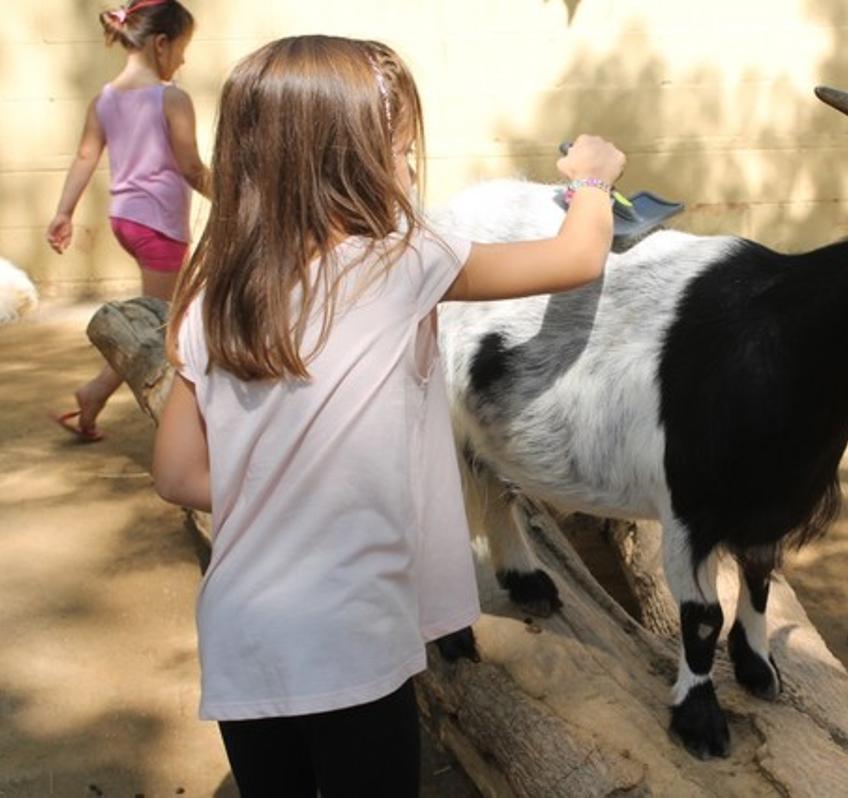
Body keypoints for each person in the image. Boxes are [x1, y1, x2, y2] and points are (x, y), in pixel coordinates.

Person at [151, 35, 624, 795]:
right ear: (347, 164)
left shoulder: (210, 303)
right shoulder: (400, 263)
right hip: (349, 635)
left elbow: (176, 475)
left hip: (241, 632)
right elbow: (576, 259)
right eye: (400, 150)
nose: (409, 169)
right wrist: (594, 181)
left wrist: (276, 488)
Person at [47, 0, 208, 441]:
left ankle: (95, 394)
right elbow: (192, 167)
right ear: (161, 44)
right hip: (159, 227)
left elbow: (84, 156)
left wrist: (64, 212)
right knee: (162, 326)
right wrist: (232, 196)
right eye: (181, 49)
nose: (183, 59)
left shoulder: (105, 99)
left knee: (168, 317)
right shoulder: (172, 98)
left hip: (125, 221)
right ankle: (98, 393)